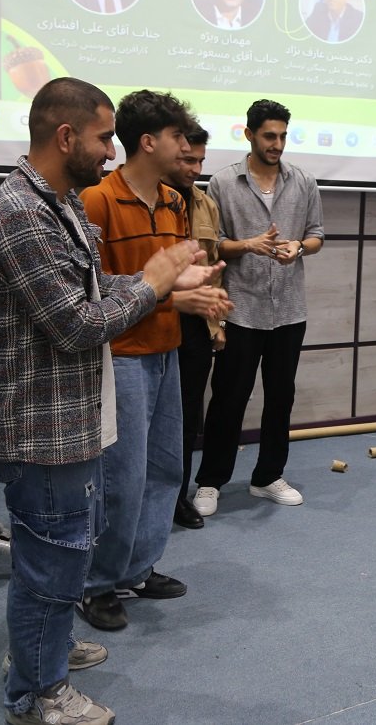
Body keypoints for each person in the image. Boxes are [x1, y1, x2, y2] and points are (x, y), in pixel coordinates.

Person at [0, 76, 220, 725]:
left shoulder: (57, 204)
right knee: (52, 559)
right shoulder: (22, 214)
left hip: (66, 416)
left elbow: (93, 285)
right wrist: (156, 282)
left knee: (56, 554)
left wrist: (166, 284)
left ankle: (40, 654)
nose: (112, 150)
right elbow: (78, 323)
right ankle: (37, 693)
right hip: (37, 426)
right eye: (105, 137)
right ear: (65, 136)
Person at [77, 90, 231, 631]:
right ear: (147, 142)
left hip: (168, 350)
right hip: (121, 356)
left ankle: (136, 569)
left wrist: (194, 290)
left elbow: (166, 280)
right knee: (121, 478)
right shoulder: (97, 200)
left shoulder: (173, 201)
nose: (186, 147)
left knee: (166, 468)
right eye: (177, 137)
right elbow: (94, 290)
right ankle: (97, 584)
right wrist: (174, 296)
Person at [192, 99, 324, 516]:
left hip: (289, 310)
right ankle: (210, 481)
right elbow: (212, 245)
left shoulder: (303, 181)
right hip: (241, 310)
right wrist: (248, 245)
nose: (277, 144)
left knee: (281, 398)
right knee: (229, 399)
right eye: (269, 136)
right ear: (249, 134)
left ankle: (268, 477)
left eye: (283, 136)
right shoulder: (223, 183)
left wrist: (299, 246)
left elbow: (317, 234)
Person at [164, 122, 225, 529]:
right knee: (150, 420)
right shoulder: (146, 200)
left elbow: (214, 269)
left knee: (187, 417)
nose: (195, 169)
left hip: (195, 327)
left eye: (201, 161)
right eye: (188, 159)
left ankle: (177, 498)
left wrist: (217, 324)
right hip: (152, 319)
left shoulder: (205, 204)